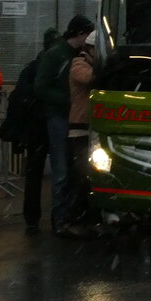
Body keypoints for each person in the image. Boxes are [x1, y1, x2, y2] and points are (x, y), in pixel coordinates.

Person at [34, 15, 95, 239]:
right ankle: (61, 219)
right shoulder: (58, 55)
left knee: (70, 169)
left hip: (66, 116)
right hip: (60, 117)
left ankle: (67, 218)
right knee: (63, 169)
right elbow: (40, 87)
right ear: (80, 34)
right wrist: (67, 100)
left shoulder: (68, 55)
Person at [2, 28, 58, 233]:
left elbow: (19, 99)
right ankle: (58, 217)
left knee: (34, 174)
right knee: (60, 172)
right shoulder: (56, 67)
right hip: (50, 124)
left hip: (34, 128)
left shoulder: (31, 68)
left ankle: (32, 218)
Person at [66, 30, 98, 228]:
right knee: (81, 177)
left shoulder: (88, 64)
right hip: (80, 127)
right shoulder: (78, 64)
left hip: (92, 127)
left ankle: (88, 219)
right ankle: (74, 219)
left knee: (89, 176)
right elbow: (90, 79)